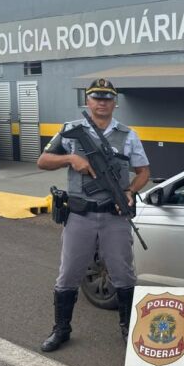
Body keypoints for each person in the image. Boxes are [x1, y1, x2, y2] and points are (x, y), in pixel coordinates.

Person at [37, 78, 150, 352]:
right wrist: (70, 159)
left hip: (114, 216)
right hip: (80, 215)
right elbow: (43, 161)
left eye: (107, 98)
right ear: (87, 101)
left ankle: (127, 328)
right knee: (68, 275)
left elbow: (143, 171)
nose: (102, 103)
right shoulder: (71, 131)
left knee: (124, 274)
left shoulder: (128, 135)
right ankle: (61, 329)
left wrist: (131, 191)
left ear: (115, 103)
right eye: (97, 98)